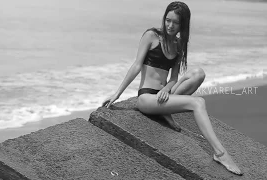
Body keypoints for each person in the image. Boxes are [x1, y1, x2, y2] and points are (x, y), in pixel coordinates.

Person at [101, 1, 243, 176]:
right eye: (167, 20)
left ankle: (165, 112)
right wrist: (116, 94)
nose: (170, 25)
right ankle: (220, 153)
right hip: (147, 98)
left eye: (175, 22)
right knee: (198, 102)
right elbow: (136, 66)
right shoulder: (151, 36)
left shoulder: (178, 45)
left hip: (164, 95)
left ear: (182, 25)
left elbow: (173, 78)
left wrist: (166, 89)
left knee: (198, 73)